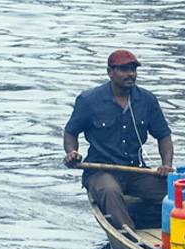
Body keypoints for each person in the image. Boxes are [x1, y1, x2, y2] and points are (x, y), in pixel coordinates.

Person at [63, 49, 174, 230]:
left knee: (177, 191)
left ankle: (165, 225)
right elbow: (70, 132)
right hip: (100, 171)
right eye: (124, 69)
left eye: (133, 69)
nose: (131, 74)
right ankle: (130, 236)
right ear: (110, 72)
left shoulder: (146, 100)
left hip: (136, 172)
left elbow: (164, 135)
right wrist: (72, 153)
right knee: (110, 190)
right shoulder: (89, 100)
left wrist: (166, 164)